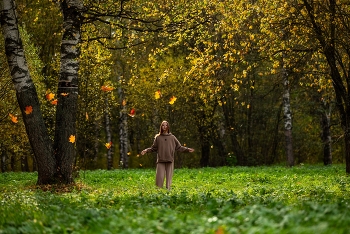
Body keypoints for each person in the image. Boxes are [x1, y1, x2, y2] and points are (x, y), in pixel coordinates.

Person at [141, 120, 194, 190]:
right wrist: (146, 150)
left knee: (169, 178)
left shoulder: (172, 137)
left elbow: (179, 147)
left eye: (166, 125)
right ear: (161, 127)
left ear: (168, 127)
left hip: (170, 159)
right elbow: (153, 148)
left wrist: (187, 149)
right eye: (163, 125)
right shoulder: (158, 138)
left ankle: (168, 191)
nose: (164, 127)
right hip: (161, 160)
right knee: (159, 177)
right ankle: (158, 192)